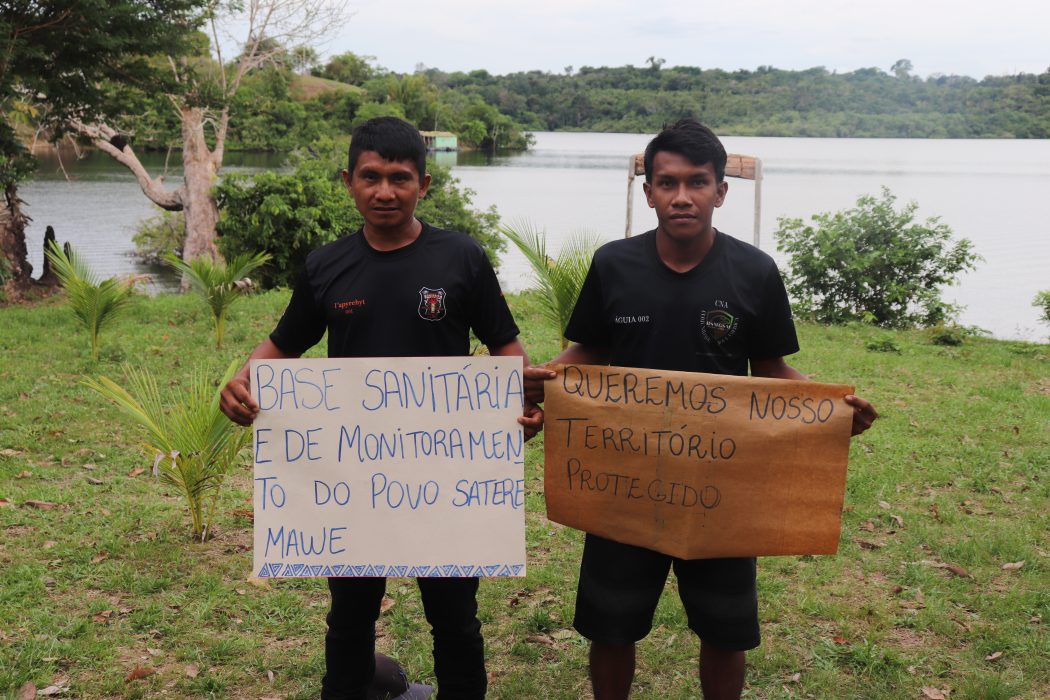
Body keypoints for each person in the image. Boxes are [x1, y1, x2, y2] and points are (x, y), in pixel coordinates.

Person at [523, 118, 878, 700]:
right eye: (666, 183)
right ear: (648, 192)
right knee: (611, 625)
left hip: (722, 482)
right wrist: (546, 379)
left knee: (725, 629)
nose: (681, 196)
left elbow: (770, 371)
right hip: (624, 477)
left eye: (697, 182)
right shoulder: (614, 264)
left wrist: (833, 409)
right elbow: (590, 351)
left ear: (721, 190)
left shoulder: (755, 272)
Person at [220, 116, 541, 700]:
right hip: (354, 480)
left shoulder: (461, 258)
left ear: (424, 184)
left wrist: (520, 401)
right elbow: (284, 345)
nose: (384, 191)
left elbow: (506, 348)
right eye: (371, 177)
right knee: (349, 614)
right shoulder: (326, 266)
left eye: (400, 178)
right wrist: (240, 382)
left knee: (454, 617)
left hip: (445, 475)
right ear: (348, 181)